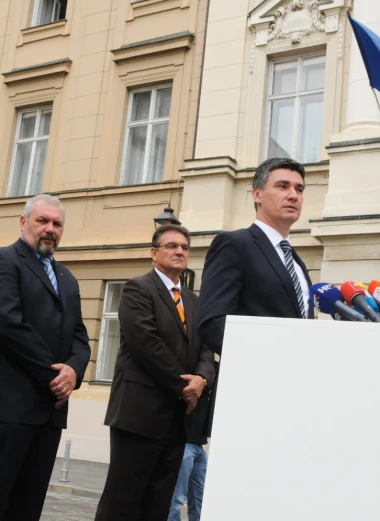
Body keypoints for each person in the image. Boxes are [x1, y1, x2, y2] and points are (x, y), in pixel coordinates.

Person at [0, 194, 91, 521]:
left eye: (57, 224)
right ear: (23, 222)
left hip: (49, 412)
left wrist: (73, 370)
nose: (50, 229)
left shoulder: (68, 279)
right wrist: (54, 376)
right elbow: (7, 325)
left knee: (27, 508)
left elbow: (80, 337)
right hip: (6, 407)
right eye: (42, 220)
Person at [94, 225, 215, 521]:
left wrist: (202, 379)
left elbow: (205, 349)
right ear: (154, 253)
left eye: (185, 248)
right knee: (123, 501)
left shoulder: (194, 301)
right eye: (172, 246)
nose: (179, 252)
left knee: (159, 503)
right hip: (139, 415)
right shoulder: (138, 288)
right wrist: (184, 386)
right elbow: (146, 344)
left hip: (177, 421)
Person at [198, 157, 313, 434]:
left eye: (299, 189)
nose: (293, 195)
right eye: (283, 186)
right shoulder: (235, 244)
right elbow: (212, 323)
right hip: (249, 395)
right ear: (257, 195)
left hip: (296, 398)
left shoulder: (296, 263)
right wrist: (274, 356)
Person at [167, 375, 212, 521]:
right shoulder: (194, 369)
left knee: (200, 499)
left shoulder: (213, 370)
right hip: (185, 443)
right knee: (177, 498)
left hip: (199, 445)